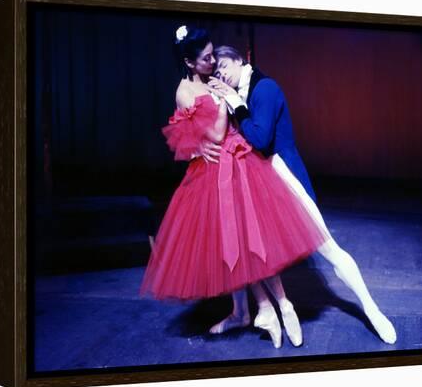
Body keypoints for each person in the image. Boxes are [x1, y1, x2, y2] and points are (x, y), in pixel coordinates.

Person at [140, 26, 331, 348]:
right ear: (189, 62)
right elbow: (210, 135)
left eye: (213, 53)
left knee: (256, 239)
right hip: (214, 171)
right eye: (205, 58)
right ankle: (260, 309)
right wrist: (220, 101)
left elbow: (242, 115)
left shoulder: (214, 76)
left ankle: (278, 307)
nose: (213, 60)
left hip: (242, 161)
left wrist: (228, 97)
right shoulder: (186, 90)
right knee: (234, 242)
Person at [201, 45, 397, 345]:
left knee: (328, 247)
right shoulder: (238, 91)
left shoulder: (263, 88)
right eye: (217, 71)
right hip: (263, 182)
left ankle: (372, 309)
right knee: (245, 245)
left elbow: (260, 139)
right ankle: (245, 311)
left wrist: (235, 103)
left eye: (225, 66)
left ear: (240, 60)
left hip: (286, 177)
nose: (221, 74)